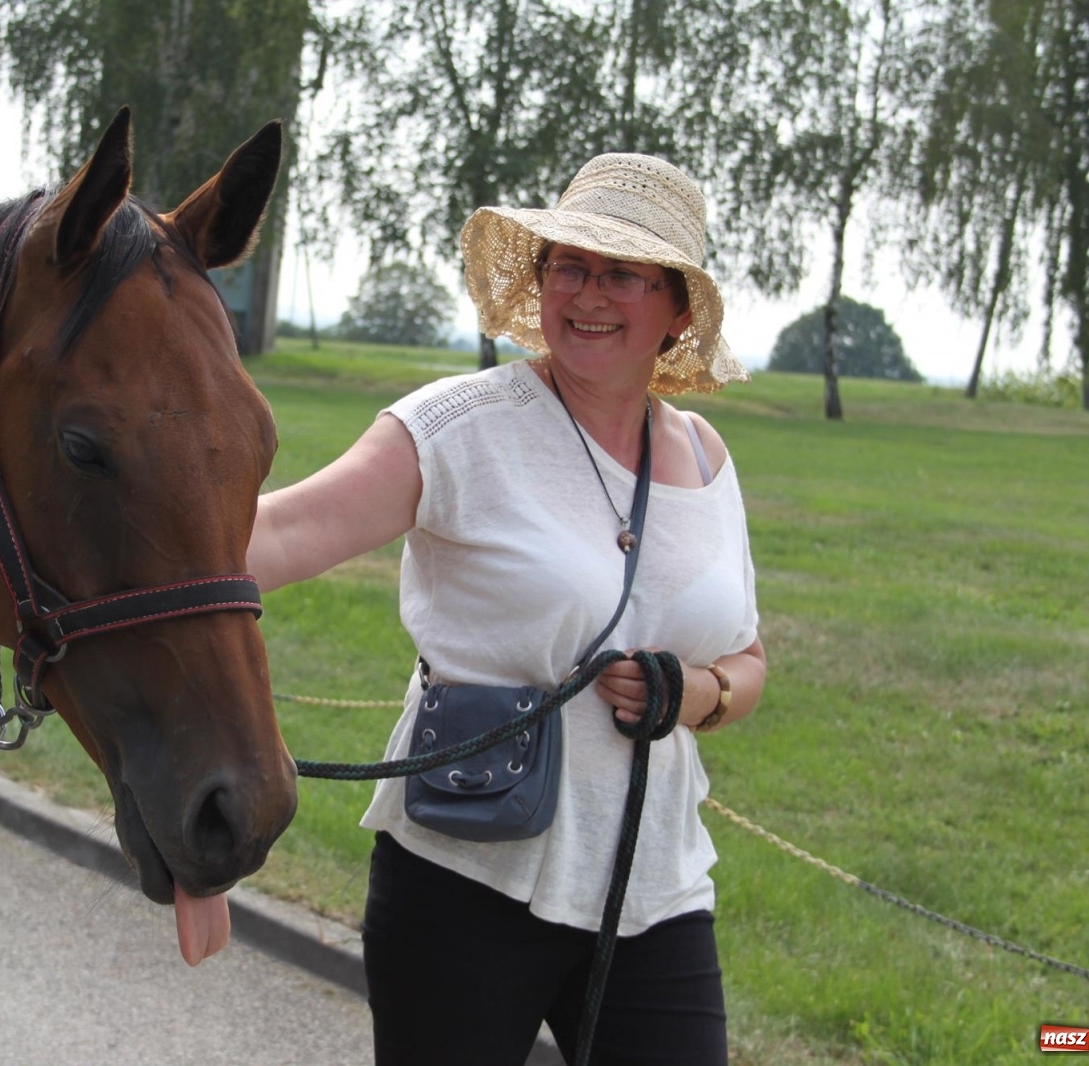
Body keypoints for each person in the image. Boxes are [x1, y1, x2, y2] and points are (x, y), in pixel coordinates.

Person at [248, 153, 766, 1066]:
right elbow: (280, 536)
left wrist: (702, 697)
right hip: (464, 874)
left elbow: (748, 659)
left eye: (619, 273)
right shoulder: (459, 427)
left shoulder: (706, 456)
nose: (585, 294)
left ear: (678, 310)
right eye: (567, 265)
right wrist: (90, 542)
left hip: (655, 889)